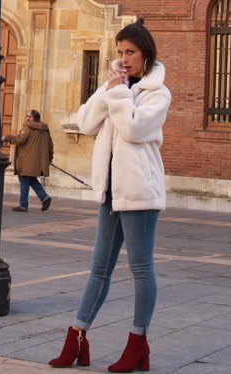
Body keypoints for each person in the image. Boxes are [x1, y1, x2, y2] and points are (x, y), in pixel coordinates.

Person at [49, 20, 171, 373]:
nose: (124, 59)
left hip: (140, 194)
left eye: (130, 52)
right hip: (110, 193)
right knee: (98, 270)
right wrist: (108, 89)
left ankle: (137, 343)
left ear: (146, 54)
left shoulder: (157, 93)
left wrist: (118, 94)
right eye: (120, 53)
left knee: (141, 268)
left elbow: (133, 128)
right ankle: (76, 340)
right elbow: (85, 122)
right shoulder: (115, 86)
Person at [1, 109, 54, 212]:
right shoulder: (45, 129)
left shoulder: (28, 127)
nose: (26, 118)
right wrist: (49, 158)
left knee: (24, 180)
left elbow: (20, 139)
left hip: (27, 160)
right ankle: (44, 198)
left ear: (31, 118)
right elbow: (50, 145)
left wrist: (7, 137)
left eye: (27, 116)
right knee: (32, 179)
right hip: (37, 161)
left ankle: (23, 205)